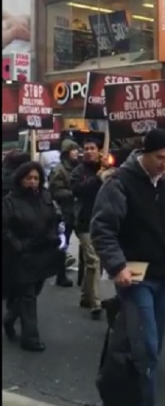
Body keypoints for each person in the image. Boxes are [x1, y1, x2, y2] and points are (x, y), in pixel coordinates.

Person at [90, 129, 165, 406]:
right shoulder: (121, 183)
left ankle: (121, 403)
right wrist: (117, 266)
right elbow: (103, 227)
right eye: (160, 157)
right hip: (134, 277)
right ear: (145, 153)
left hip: (162, 275)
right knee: (148, 349)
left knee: (137, 346)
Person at [2, 161, 62, 351]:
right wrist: (17, 246)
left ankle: (9, 318)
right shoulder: (10, 201)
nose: (33, 182)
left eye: (36, 178)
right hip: (22, 256)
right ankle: (30, 338)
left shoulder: (45, 196)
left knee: (33, 291)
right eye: (29, 178)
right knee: (28, 296)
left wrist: (54, 235)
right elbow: (4, 229)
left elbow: (53, 218)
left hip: (42, 253)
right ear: (20, 179)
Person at [71, 137, 105, 319]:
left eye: (93, 148)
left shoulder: (106, 168)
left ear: (99, 150)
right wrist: (96, 178)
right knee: (94, 261)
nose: (89, 151)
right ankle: (96, 303)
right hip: (84, 222)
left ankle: (85, 296)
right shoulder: (78, 171)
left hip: (103, 221)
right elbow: (77, 190)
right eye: (86, 148)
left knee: (93, 262)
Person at [49, 139, 80, 288]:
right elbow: (55, 192)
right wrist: (73, 193)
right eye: (73, 150)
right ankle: (60, 275)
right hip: (66, 212)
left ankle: (83, 277)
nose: (77, 152)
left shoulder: (79, 167)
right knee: (63, 245)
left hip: (80, 212)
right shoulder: (59, 170)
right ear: (67, 153)